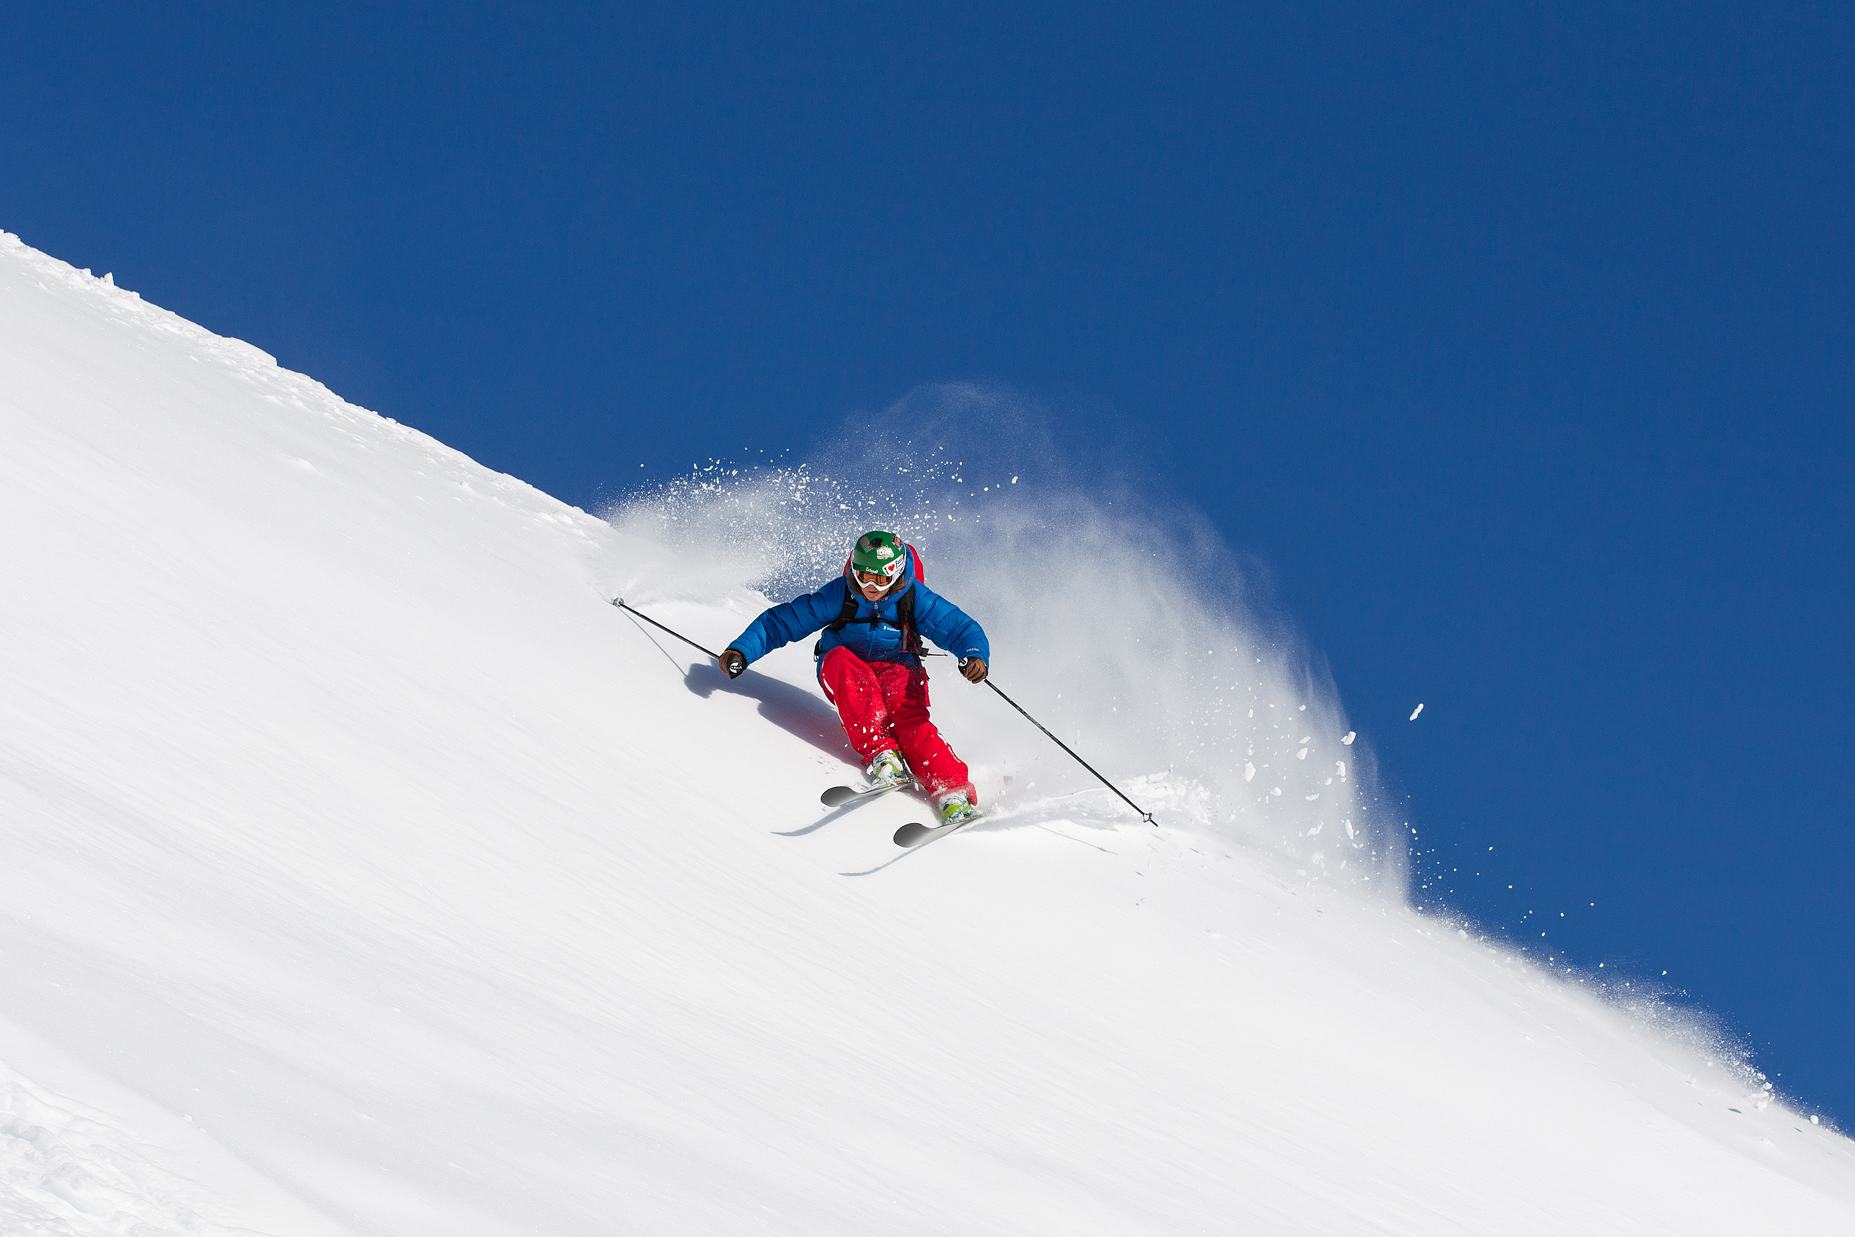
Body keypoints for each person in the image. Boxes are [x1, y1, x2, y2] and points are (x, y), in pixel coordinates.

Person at [719, 531, 989, 826]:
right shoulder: (842, 593)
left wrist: (974, 654)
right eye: (863, 576)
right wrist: (741, 651)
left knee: (910, 722)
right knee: (845, 668)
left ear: (896, 574)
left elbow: (960, 628)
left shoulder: (915, 598)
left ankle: (951, 791)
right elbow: (781, 623)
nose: (870, 587)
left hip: (898, 666)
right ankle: (883, 753)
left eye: (880, 580)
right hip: (847, 664)